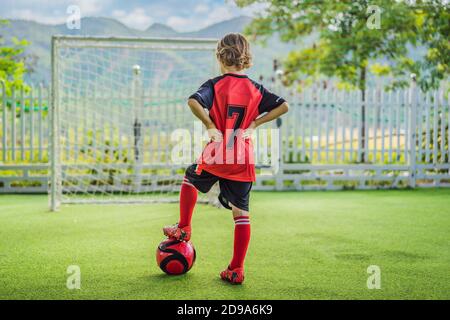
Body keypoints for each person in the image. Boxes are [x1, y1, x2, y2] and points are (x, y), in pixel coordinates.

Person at [163, 33, 289, 284]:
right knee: (241, 213)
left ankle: (184, 228)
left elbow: (193, 101)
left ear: (220, 56)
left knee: (190, 179)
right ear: (246, 58)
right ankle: (236, 269)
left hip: (218, 151)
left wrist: (210, 124)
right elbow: (284, 105)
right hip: (243, 157)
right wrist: (255, 123)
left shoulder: (215, 84)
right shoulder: (256, 89)